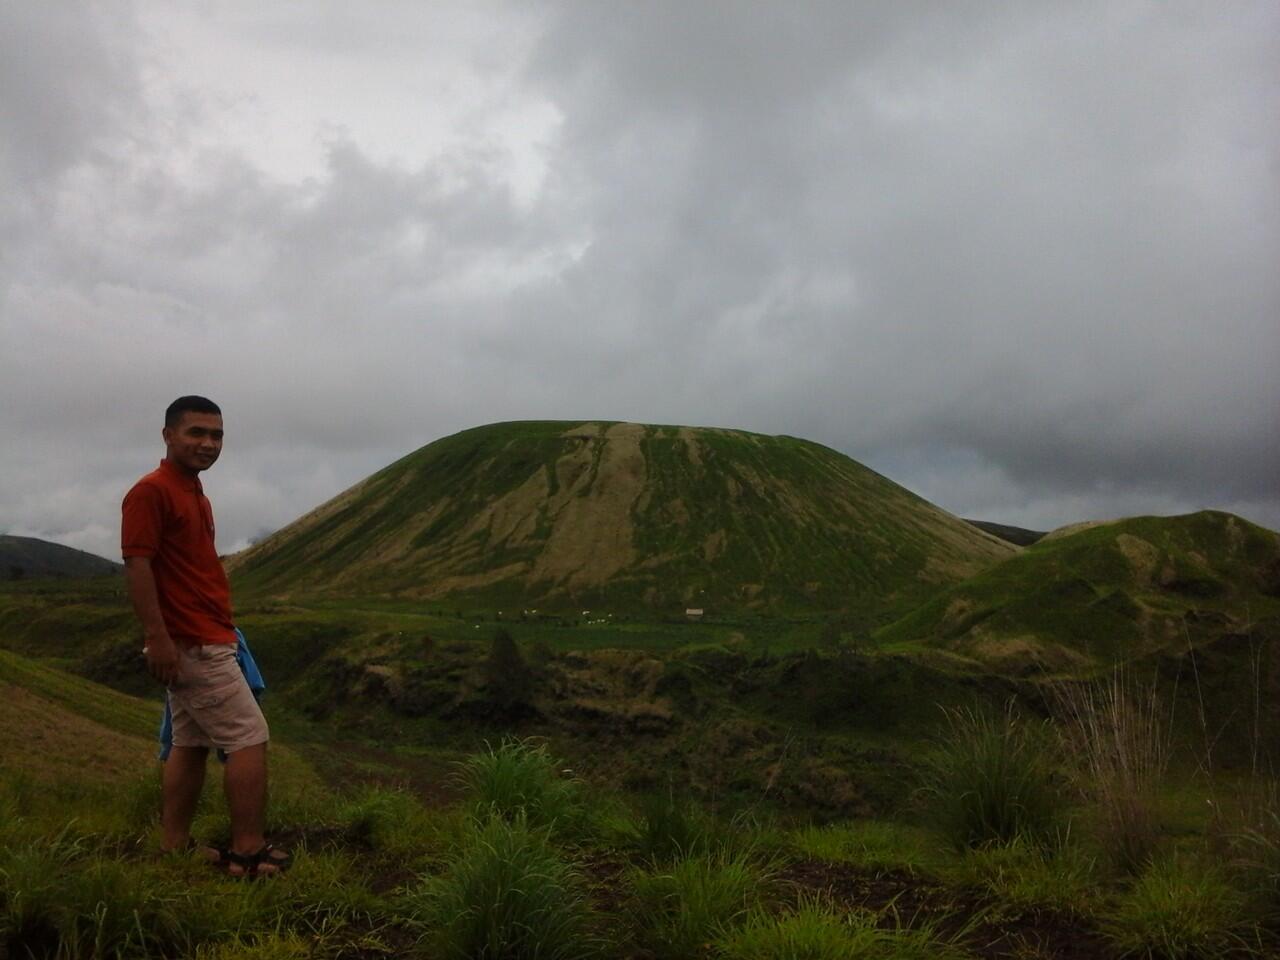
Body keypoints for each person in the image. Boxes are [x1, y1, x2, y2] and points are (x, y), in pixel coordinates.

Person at [122, 396, 289, 878]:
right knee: (248, 737)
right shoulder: (151, 492)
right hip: (191, 641)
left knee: (190, 743)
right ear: (168, 435)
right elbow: (138, 564)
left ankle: (174, 846)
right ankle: (249, 852)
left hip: (207, 635)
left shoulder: (193, 491)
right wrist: (158, 639)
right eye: (196, 432)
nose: (208, 443)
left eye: (216, 435)